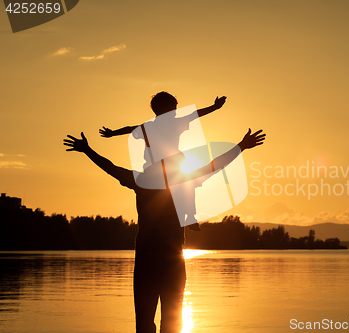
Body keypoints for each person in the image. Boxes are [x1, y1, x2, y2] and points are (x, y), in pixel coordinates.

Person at [63, 128, 265, 333]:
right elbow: (214, 166)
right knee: (170, 321)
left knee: (146, 321)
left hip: (150, 259)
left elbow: (110, 167)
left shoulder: (141, 182)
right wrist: (241, 146)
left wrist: (87, 150)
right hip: (170, 260)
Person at [99, 92, 227, 231]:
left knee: (186, 182)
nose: (176, 111)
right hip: (162, 168)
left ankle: (189, 217)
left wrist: (113, 133)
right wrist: (214, 107)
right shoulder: (173, 123)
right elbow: (195, 115)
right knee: (187, 182)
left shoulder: (148, 127)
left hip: (158, 168)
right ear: (165, 109)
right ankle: (190, 216)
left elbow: (130, 129)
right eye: (174, 107)